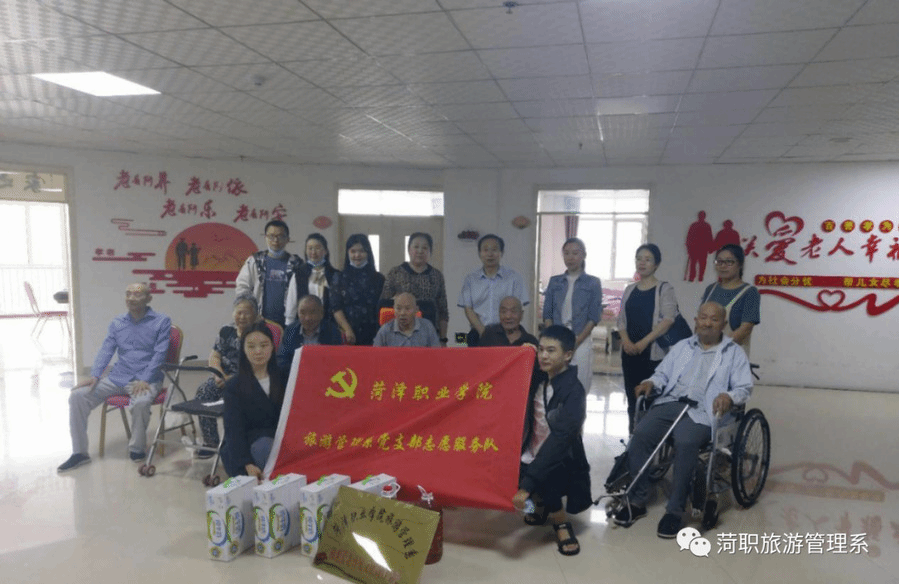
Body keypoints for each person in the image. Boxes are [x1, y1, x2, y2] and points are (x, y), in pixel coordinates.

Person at [613, 302, 752, 538]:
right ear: (696, 321)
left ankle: (675, 511)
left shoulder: (734, 353)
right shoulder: (682, 346)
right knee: (641, 434)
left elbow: (744, 387)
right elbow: (662, 374)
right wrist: (651, 382)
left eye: (714, 319)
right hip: (671, 402)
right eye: (703, 318)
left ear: (724, 324)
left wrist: (729, 396)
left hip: (703, 410)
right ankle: (636, 501)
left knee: (686, 443)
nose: (708, 323)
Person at [59, 283, 171, 471]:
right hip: (118, 377)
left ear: (149, 299)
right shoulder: (117, 323)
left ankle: (137, 449)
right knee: (77, 396)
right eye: (128, 294)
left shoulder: (162, 321)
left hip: (147, 379)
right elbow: (106, 349)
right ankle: (79, 453)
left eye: (137, 295)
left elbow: (160, 354)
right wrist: (95, 375)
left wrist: (145, 378)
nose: (131, 298)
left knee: (141, 403)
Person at [512, 325, 591, 557]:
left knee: (547, 475)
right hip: (533, 447)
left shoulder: (574, 391)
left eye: (551, 350)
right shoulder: (541, 377)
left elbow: (560, 440)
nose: (543, 356)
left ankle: (561, 522)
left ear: (567, 355)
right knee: (517, 466)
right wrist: (522, 351)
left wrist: (527, 486)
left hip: (561, 455)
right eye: (541, 349)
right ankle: (541, 505)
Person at [617, 244, 677, 433]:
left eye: (647, 259)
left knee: (650, 401)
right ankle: (632, 439)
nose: (642, 263)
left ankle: (650, 443)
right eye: (639, 258)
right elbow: (621, 320)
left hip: (652, 354)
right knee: (631, 399)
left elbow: (668, 320)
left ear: (656, 264)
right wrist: (626, 341)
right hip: (630, 354)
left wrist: (643, 343)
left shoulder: (664, 289)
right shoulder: (629, 289)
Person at [193, 294, 261, 456]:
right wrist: (219, 375)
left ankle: (235, 444)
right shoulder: (226, 331)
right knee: (204, 391)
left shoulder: (260, 334)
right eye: (238, 312)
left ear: (255, 314)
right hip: (223, 377)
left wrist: (232, 380)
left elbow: (260, 365)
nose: (242, 317)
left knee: (236, 401)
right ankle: (210, 442)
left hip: (249, 380)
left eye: (246, 313)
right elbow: (214, 356)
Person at [221, 322, 284, 482]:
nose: (258, 351)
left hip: (280, 441)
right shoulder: (233, 386)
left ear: (272, 347)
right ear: (243, 349)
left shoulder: (286, 377)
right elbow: (233, 429)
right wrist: (246, 463)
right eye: (251, 346)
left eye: (264, 345)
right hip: (247, 448)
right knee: (264, 447)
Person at [542, 237, 602, 392]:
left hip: (580, 339)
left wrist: (577, 341)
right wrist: (552, 337)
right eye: (567, 253)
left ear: (583, 255)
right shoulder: (555, 281)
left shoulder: (593, 283)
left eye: (575, 253)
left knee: (580, 384)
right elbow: (547, 313)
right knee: (554, 385)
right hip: (557, 340)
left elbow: (594, 316)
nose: (570, 257)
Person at [458, 234, 529, 347]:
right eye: (486, 250)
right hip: (478, 333)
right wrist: (485, 334)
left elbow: (518, 307)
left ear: (502, 253)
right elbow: (468, 309)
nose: (490, 254)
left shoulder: (514, 278)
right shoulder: (471, 279)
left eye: (494, 250)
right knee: (472, 356)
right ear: (479, 253)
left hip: (507, 334)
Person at [381, 232, 449, 346]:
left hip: (430, 336)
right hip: (399, 336)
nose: (420, 251)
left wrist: (443, 339)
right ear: (409, 249)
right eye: (416, 247)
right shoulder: (395, 273)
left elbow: (443, 310)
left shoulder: (437, 275)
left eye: (425, 248)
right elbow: (384, 306)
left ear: (430, 251)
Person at [235, 219, 306, 327]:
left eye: (280, 236)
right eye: (271, 236)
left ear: (288, 239)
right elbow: (242, 288)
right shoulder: (255, 261)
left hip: (290, 323)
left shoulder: (297, 264)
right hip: (258, 321)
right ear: (265, 237)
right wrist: (250, 311)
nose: (275, 240)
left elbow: (305, 293)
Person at [284, 234, 353, 337]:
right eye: (310, 248)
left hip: (329, 326)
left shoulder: (334, 275)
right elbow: (291, 304)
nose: (313, 252)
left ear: (325, 251)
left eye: (317, 248)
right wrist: (289, 329)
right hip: (304, 326)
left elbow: (339, 305)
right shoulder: (298, 275)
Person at [700, 244, 761, 357]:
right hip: (704, 354)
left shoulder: (749, 292)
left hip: (731, 356)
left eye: (729, 262)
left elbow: (745, 329)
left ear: (740, 264)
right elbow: (700, 323)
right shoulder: (711, 289)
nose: (723, 266)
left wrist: (716, 349)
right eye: (719, 262)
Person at [277, 295, 343, 382]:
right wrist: (300, 373)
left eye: (312, 312)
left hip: (325, 380)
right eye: (302, 313)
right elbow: (281, 359)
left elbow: (338, 361)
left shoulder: (332, 331)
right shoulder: (290, 331)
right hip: (296, 378)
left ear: (321, 314)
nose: (307, 318)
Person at [335, 233, 385, 346]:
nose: (357, 255)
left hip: (375, 333)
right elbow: (336, 307)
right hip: (347, 333)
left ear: (368, 253)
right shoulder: (339, 277)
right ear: (348, 253)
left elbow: (382, 306)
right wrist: (347, 329)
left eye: (361, 251)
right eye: (353, 251)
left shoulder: (379, 278)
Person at [372, 292, 440, 348]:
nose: (402, 313)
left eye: (407, 309)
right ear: (394, 309)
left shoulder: (427, 327)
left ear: (416, 310)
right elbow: (375, 356)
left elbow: (437, 355)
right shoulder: (385, 331)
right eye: (398, 308)